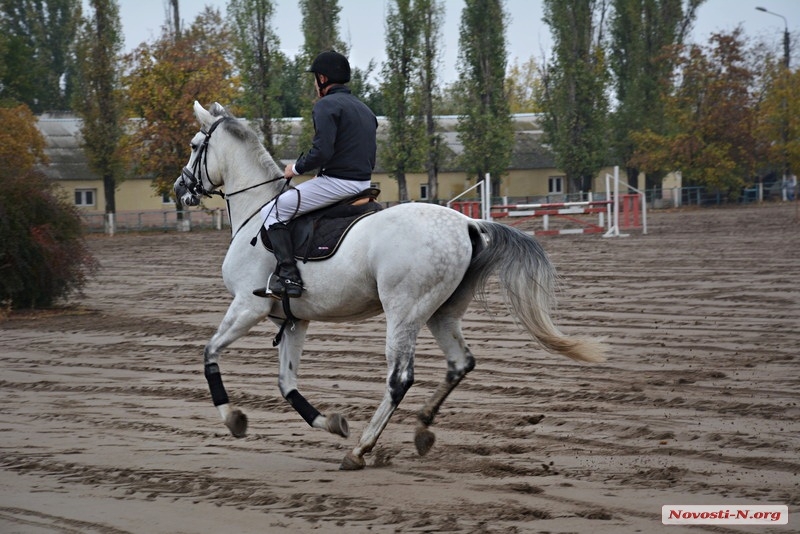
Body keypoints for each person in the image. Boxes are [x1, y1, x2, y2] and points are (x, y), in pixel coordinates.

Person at [253, 50, 378, 299]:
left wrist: (295, 168)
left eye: (314, 79)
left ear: (322, 78)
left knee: (272, 211)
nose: (314, 84)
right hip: (363, 182)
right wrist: (322, 175)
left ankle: (289, 277)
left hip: (339, 184)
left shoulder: (326, 105)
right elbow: (354, 152)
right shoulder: (365, 109)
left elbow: (322, 150)